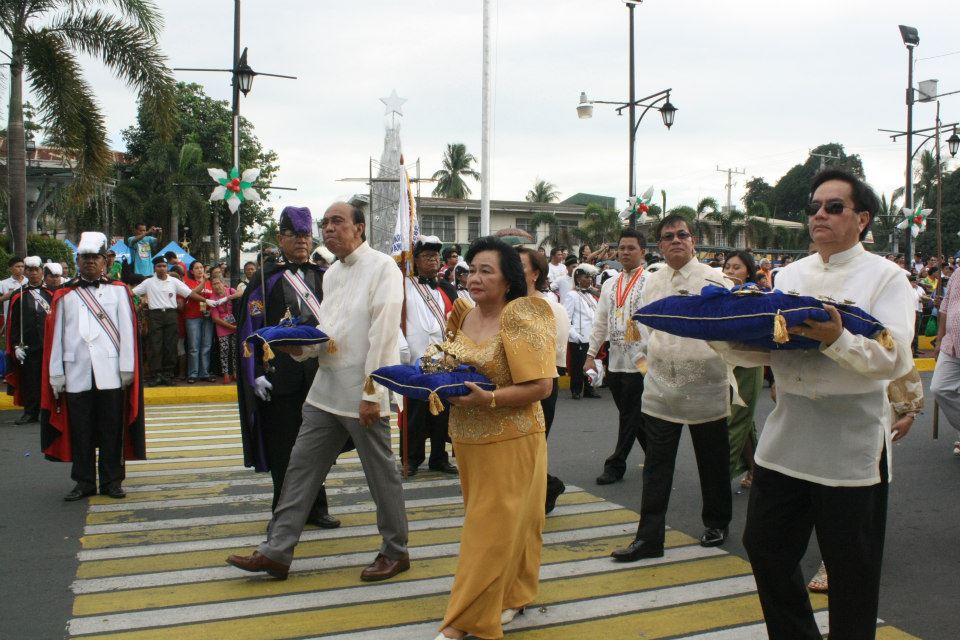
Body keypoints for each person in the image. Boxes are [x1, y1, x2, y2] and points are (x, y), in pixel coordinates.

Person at [712, 169, 915, 639]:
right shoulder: (790, 274)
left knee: (852, 572)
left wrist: (837, 337)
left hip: (851, 445)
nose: (820, 215)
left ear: (862, 219)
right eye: (814, 208)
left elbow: (895, 357)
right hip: (788, 438)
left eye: (834, 207)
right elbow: (773, 347)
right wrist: (725, 339)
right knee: (764, 547)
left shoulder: (888, 279)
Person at [227, 202, 408, 582]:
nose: (328, 229)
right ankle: (277, 550)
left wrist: (373, 394)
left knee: (381, 474)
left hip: (362, 392)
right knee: (300, 469)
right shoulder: (332, 275)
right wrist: (302, 348)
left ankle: (396, 551)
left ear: (359, 228)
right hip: (324, 390)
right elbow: (328, 329)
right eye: (325, 224)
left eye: (337, 222)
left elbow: (384, 335)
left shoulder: (382, 268)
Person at [435, 236, 555, 640]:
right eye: (471, 270)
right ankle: (515, 594)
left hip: (511, 438)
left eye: (487, 270)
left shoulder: (520, 317)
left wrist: (489, 399)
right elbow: (447, 361)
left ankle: (464, 621)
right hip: (467, 439)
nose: (475, 278)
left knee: (487, 532)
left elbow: (541, 386)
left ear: (509, 280)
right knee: (504, 526)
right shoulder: (463, 314)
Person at [611, 214, 734, 562]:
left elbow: (728, 333)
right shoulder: (651, 282)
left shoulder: (715, 279)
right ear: (660, 246)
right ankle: (649, 537)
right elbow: (644, 334)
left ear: (693, 240)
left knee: (712, 461)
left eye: (682, 235)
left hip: (706, 382)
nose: (676, 240)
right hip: (662, 385)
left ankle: (716, 522)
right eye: (668, 237)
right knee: (656, 465)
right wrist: (647, 369)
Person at [234, 206, 338, 530]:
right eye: (294, 235)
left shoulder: (325, 277)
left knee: (316, 448)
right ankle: (283, 511)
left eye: (306, 234)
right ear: (281, 238)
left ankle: (317, 508)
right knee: (284, 449)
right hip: (279, 377)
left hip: (318, 375)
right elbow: (249, 329)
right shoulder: (265, 281)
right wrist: (255, 374)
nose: (301, 241)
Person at [41, 231, 145, 501]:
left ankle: (112, 481)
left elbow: (127, 332)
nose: (89, 262)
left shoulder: (119, 291)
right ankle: (84, 481)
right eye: (84, 257)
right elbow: (57, 338)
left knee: (111, 430)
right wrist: (56, 373)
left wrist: (127, 368)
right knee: (81, 432)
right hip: (76, 373)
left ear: (105, 262)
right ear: (77, 260)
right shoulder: (64, 294)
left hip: (110, 373)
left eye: (94, 258)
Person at [586, 229, 649, 485]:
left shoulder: (651, 281)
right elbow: (600, 322)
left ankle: (616, 464)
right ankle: (656, 453)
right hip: (616, 359)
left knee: (630, 412)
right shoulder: (610, 283)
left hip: (643, 359)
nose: (625, 252)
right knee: (631, 412)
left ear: (642, 252)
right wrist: (591, 354)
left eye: (631, 248)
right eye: (622, 248)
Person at [517, 247, 570, 514]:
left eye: (519, 266)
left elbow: (556, 358)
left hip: (541, 385)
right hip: (510, 386)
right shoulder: (505, 303)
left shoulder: (551, 308)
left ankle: (546, 488)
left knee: (533, 446)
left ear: (535, 273)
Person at [402, 235, 459, 476]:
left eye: (436, 256)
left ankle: (439, 457)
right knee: (414, 413)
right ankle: (412, 459)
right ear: (415, 260)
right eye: (427, 257)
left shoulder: (446, 287)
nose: (433, 260)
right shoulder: (405, 284)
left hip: (442, 361)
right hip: (413, 361)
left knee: (441, 414)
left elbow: (457, 322)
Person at [132, 256, 215, 387]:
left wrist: (206, 301)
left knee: (170, 345)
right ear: (154, 268)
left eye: (164, 266)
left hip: (171, 314)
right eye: (159, 266)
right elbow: (132, 293)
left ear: (167, 267)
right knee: (155, 345)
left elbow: (189, 293)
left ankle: (168, 374)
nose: (162, 268)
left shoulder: (174, 282)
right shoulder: (148, 282)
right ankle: (157, 375)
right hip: (155, 315)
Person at [721, 251, 764, 489]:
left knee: (735, 420)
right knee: (743, 420)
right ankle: (756, 470)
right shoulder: (721, 294)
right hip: (726, 362)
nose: (730, 271)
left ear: (749, 271)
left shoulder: (757, 296)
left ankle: (718, 479)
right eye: (727, 266)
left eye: (736, 267)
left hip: (748, 363)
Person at [5, 256, 53, 424]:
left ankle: (49, 413)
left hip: (50, 344)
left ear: (42, 272)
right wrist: (16, 345)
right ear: (26, 272)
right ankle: (30, 412)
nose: (33, 273)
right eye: (30, 270)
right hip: (28, 345)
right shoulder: (18, 295)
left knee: (50, 380)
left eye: (36, 270)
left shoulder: (51, 294)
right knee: (30, 381)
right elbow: (14, 323)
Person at [565, 264, 599, 400]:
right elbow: (566, 318)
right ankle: (576, 389)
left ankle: (589, 389)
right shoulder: (571, 295)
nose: (589, 279)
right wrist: (575, 335)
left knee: (590, 364)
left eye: (590, 277)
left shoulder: (591, 295)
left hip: (591, 336)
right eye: (586, 277)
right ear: (578, 278)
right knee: (578, 366)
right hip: (579, 337)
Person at [182, 260, 216, 383]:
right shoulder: (188, 282)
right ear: (192, 271)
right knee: (194, 347)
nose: (200, 270)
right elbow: (192, 294)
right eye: (196, 268)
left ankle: (204, 373)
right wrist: (204, 282)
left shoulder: (211, 283)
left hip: (208, 317)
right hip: (192, 317)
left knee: (206, 345)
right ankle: (193, 374)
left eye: (201, 267)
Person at [210, 277, 238, 384]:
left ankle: (235, 372)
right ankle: (226, 374)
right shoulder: (213, 299)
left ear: (223, 283)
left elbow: (240, 293)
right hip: (222, 327)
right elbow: (215, 318)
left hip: (235, 324)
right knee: (224, 351)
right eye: (214, 284)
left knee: (235, 350)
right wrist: (232, 327)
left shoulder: (230, 291)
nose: (216, 286)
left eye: (218, 283)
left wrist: (226, 298)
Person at [0, 255, 26, 325]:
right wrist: (3, 298)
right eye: (17, 266)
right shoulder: (3, 283)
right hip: (11, 320)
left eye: (22, 266)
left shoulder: (29, 282)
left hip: (28, 319)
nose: (20, 268)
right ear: (10, 269)